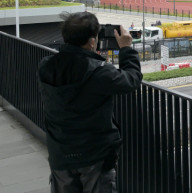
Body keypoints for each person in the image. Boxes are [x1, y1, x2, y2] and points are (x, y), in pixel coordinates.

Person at [38, 12, 143, 193]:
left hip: (60, 153)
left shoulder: (46, 65)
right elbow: (132, 80)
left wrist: (96, 60)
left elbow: (74, 76)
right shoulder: (99, 73)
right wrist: (126, 49)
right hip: (94, 155)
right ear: (92, 41)